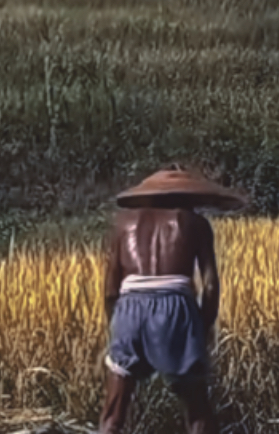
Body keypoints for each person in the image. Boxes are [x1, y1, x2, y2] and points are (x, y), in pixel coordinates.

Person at [99, 166, 247, 434]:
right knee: (197, 412)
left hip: (128, 308)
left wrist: (118, 325)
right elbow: (210, 285)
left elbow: (110, 290)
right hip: (174, 309)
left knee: (113, 414)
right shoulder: (194, 223)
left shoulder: (123, 224)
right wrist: (201, 328)